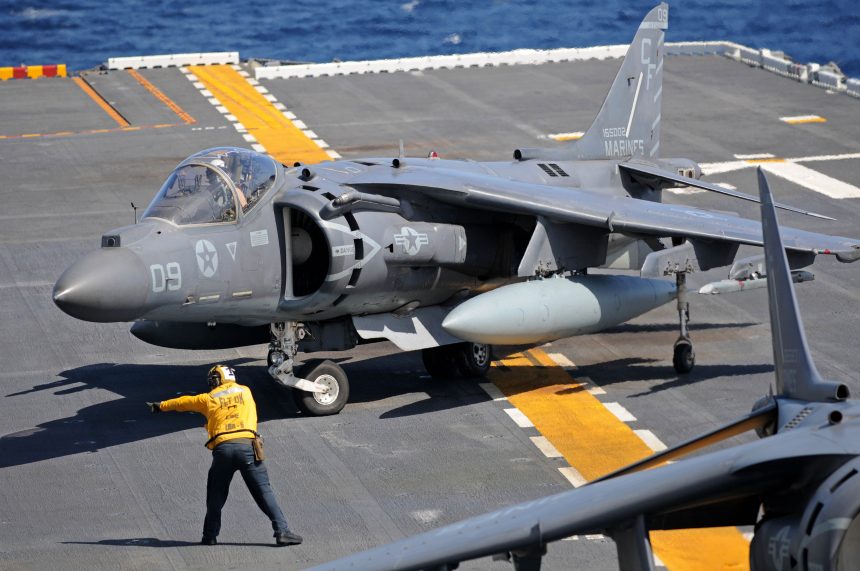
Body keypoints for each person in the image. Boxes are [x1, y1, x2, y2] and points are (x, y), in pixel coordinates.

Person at [146, 365, 302, 547]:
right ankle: (282, 531)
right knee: (264, 491)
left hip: (223, 450)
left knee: (216, 495)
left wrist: (160, 406)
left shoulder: (209, 398)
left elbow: (183, 402)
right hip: (247, 448)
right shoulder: (246, 391)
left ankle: (209, 536)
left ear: (216, 380)